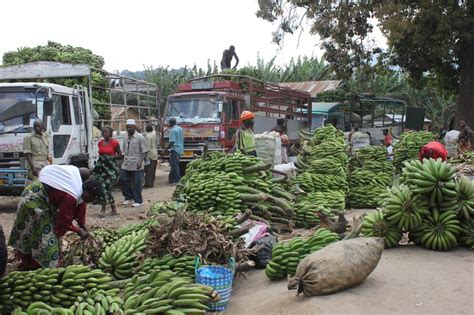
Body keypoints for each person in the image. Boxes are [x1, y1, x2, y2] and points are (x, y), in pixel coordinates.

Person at [8, 165, 104, 269]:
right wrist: (79, 231)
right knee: (44, 235)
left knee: (43, 232)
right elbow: (63, 222)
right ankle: (40, 265)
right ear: (88, 193)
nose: (92, 202)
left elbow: (80, 215)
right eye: (93, 198)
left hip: (44, 200)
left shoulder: (81, 193)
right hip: (33, 200)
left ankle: (32, 262)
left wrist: (86, 230)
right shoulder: (72, 196)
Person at [93, 126, 122, 216]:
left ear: (110, 133)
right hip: (101, 168)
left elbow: (120, 155)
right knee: (102, 187)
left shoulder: (115, 143)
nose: (104, 133)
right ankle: (113, 209)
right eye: (103, 132)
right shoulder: (100, 143)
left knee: (107, 187)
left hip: (110, 169)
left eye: (106, 132)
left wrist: (109, 157)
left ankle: (104, 209)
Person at [120, 119, 148, 207]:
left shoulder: (140, 137)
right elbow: (124, 150)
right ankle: (128, 197)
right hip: (126, 162)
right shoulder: (125, 137)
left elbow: (144, 151)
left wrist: (140, 162)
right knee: (123, 178)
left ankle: (139, 201)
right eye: (127, 127)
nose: (128, 129)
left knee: (137, 183)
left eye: (130, 127)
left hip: (137, 163)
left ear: (134, 127)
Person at [167, 118, 184, 184]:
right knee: (174, 164)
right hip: (180, 148)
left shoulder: (173, 130)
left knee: (175, 165)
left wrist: (165, 150)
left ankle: (177, 180)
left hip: (175, 149)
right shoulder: (180, 128)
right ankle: (171, 179)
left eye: (169, 123)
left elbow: (172, 142)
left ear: (171, 123)